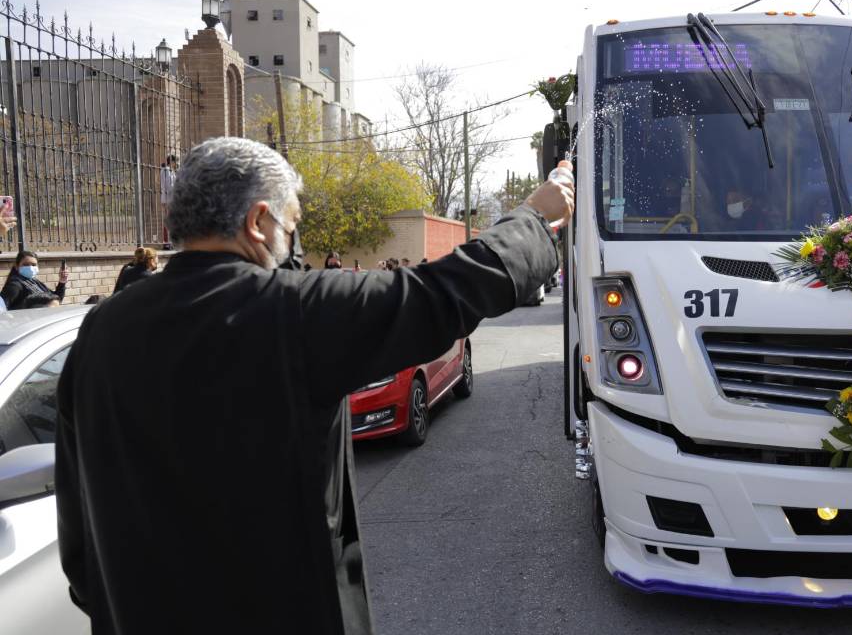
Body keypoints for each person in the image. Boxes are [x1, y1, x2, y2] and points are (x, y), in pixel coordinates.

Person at [54, 137, 571, 635]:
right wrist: (532, 215)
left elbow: (78, 546)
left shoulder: (101, 329)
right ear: (259, 221)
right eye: (292, 227)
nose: (292, 247)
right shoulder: (290, 312)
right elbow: (446, 293)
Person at [1, 250, 67, 310]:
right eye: (26, 264)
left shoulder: (34, 281)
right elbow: (2, 307)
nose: (30, 268)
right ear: (17, 266)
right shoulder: (14, 285)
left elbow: (56, 300)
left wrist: (62, 281)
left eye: (33, 265)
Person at [160, 155, 178, 248]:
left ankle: (170, 242)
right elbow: (168, 185)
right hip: (167, 199)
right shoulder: (166, 170)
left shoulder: (171, 171)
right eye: (174, 162)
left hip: (170, 198)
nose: (175, 164)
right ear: (171, 161)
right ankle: (166, 243)